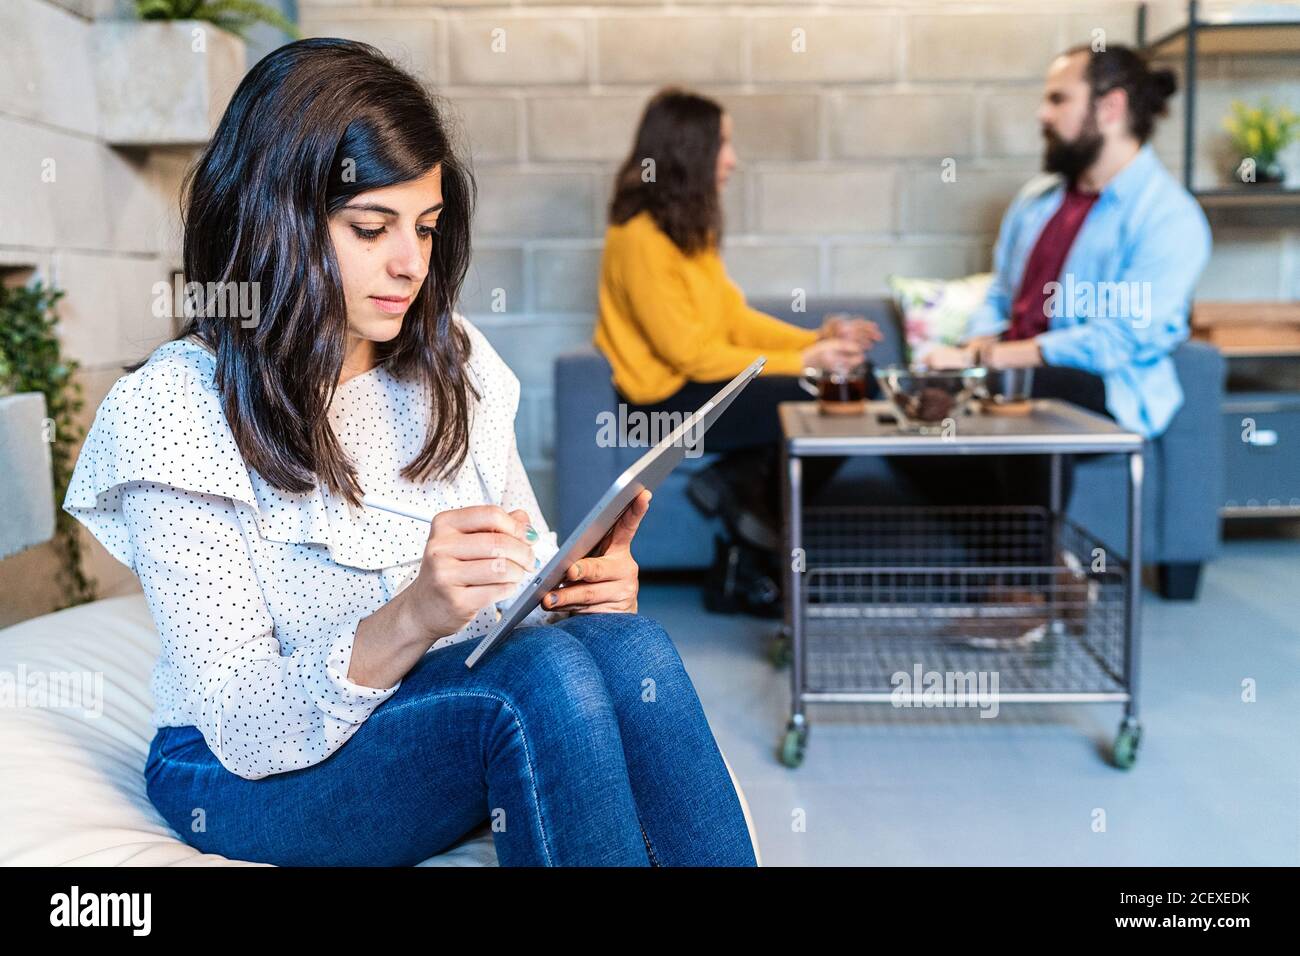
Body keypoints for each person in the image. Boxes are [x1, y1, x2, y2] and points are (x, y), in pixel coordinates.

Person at [61, 39, 756, 867]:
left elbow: (520, 580)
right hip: (236, 773)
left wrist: (574, 588)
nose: (410, 265)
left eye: (425, 229)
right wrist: (414, 616)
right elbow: (244, 724)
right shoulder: (175, 409)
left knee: (629, 647)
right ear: (273, 216)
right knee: (540, 685)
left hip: (429, 714)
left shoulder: (448, 359)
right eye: (370, 227)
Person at [593, 88, 880, 609]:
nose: (733, 158)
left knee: (861, 382)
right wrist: (806, 363)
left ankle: (738, 510)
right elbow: (690, 355)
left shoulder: (686, 233)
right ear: (690, 150)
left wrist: (819, 339)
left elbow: (733, 319)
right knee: (824, 398)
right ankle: (738, 500)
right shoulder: (637, 237)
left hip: (702, 386)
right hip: (665, 403)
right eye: (723, 143)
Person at [920, 43, 1212, 511]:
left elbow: (1121, 339)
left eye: (1058, 99)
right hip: (1006, 370)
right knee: (919, 400)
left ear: (1111, 106)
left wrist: (1001, 358)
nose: (1043, 114)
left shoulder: (1168, 217)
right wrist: (974, 348)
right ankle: (1050, 565)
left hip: (1104, 385)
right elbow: (1001, 293)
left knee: (1033, 398)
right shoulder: (1036, 201)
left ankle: (1029, 581)